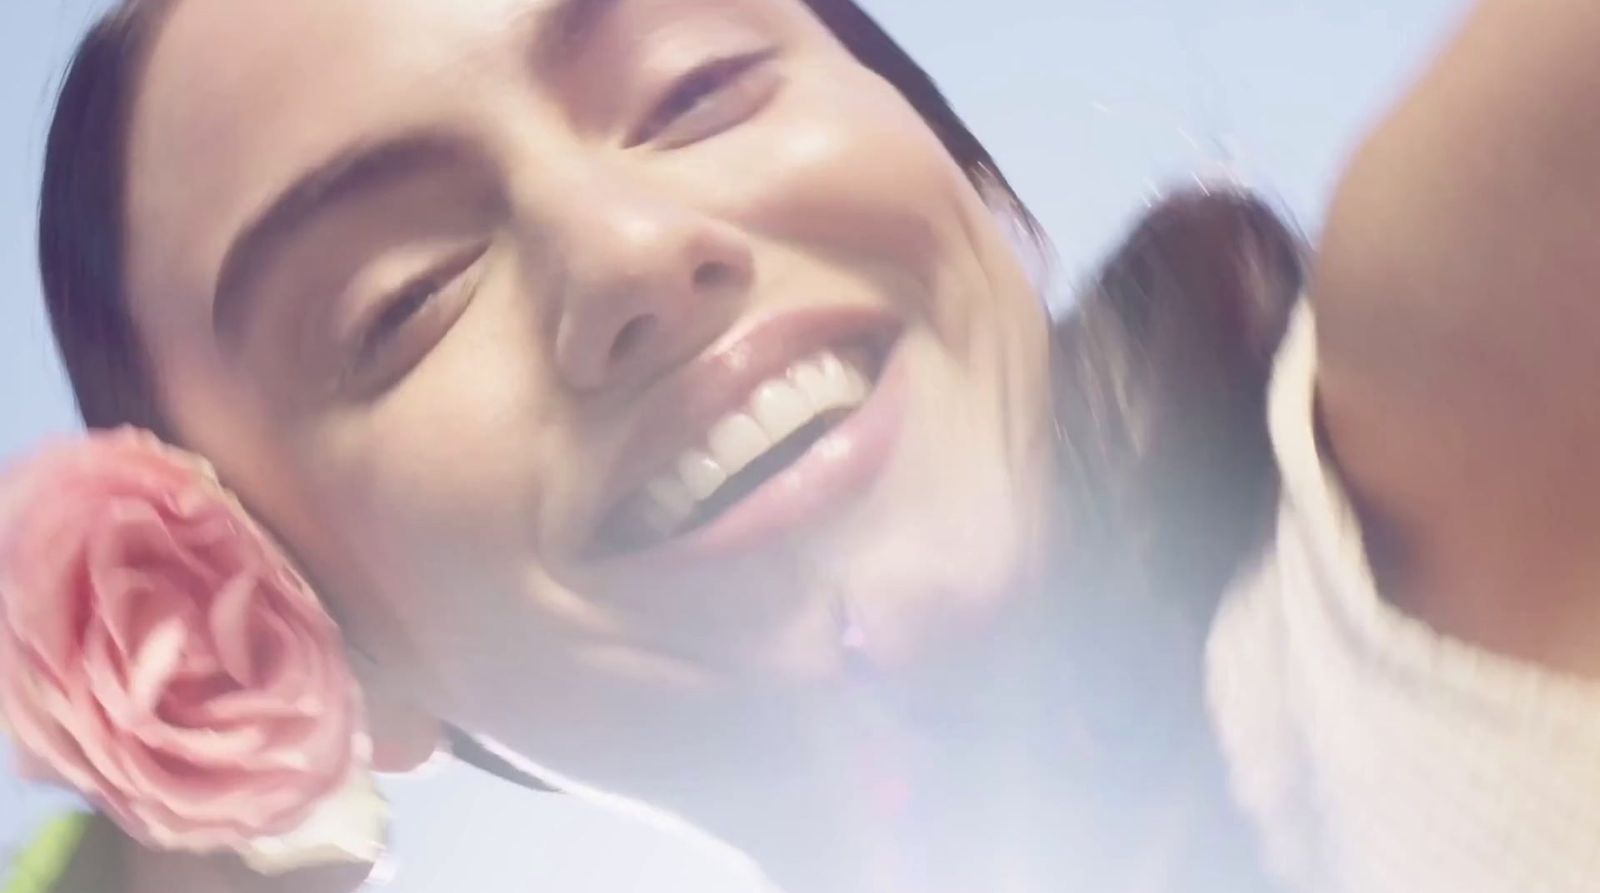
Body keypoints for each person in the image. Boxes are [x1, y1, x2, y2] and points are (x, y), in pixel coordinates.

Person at [25, 0, 1600, 891]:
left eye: (698, 86)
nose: (630, 252)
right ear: (314, 646)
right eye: (402, 302)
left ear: (978, 189)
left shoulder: (1463, 389)